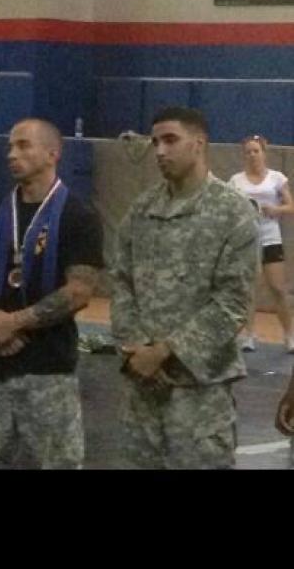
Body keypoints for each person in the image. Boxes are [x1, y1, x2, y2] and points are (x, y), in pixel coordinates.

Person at [111, 107, 259, 470]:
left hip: (200, 395)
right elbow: (121, 282)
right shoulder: (142, 210)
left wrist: (164, 352)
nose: (160, 151)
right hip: (141, 391)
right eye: (156, 142)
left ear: (198, 143)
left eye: (171, 140)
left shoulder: (233, 212)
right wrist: (136, 350)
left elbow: (233, 303)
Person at [0, 118, 103, 469]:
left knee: (57, 463)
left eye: (23, 145)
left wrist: (14, 323)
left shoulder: (78, 215)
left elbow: (79, 291)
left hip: (48, 368)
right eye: (10, 146)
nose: (12, 154)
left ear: (53, 153)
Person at [228, 135, 294, 353]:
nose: (252, 155)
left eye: (256, 151)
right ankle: (248, 335)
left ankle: (289, 335)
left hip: (270, 238)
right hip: (246, 240)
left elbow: (290, 206)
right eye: (248, 152)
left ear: (264, 153)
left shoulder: (277, 178)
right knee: (248, 290)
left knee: (278, 289)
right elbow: (229, 207)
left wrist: (276, 209)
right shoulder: (236, 181)